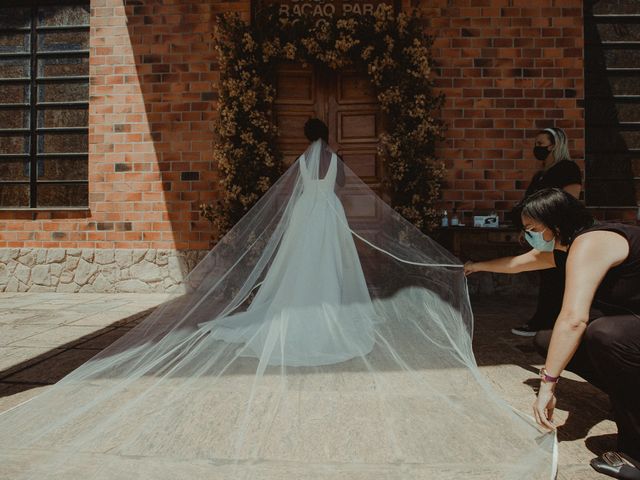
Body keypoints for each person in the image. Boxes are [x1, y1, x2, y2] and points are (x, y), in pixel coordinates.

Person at [465, 188, 640, 479]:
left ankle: (635, 454)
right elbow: (519, 263)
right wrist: (474, 267)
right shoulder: (567, 246)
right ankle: (628, 395)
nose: (528, 236)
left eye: (533, 229)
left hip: (627, 329)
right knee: (547, 341)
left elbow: (573, 319)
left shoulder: (590, 243)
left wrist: (548, 384)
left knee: (604, 334)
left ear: (557, 225)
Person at [511, 127, 582, 337]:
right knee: (548, 277)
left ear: (554, 145)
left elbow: (570, 201)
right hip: (541, 234)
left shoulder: (567, 169)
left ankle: (547, 323)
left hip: (558, 233)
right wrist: (525, 229)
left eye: (541, 143)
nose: (537, 147)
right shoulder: (541, 175)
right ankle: (546, 321)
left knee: (556, 278)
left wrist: (557, 229)